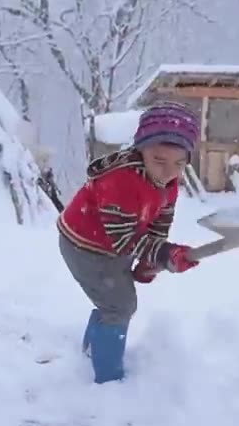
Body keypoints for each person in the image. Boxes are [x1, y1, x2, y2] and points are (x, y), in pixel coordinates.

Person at [57, 101, 202, 383]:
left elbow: (160, 221)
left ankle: (91, 350)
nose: (168, 171)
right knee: (120, 306)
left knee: (113, 301)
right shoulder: (120, 180)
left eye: (179, 163)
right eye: (159, 160)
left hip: (113, 243)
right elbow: (124, 239)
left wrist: (154, 258)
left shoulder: (168, 181)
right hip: (85, 246)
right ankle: (108, 378)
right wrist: (164, 254)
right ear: (141, 149)